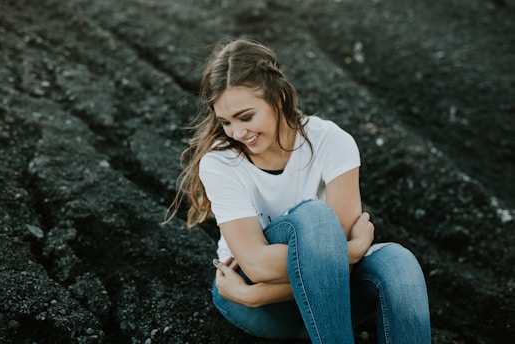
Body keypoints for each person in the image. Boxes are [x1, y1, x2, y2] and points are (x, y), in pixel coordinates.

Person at [167, 38, 431, 343]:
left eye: (246, 116)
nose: (237, 133)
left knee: (399, 264)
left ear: (278, 98)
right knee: (315, 217)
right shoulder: (219, 162)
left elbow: (340, 265)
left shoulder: (331, 141)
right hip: (256, 303)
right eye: (225, 121)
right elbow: (257, 264)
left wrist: (261, 293)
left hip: (314, 298)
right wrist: (349, 252)